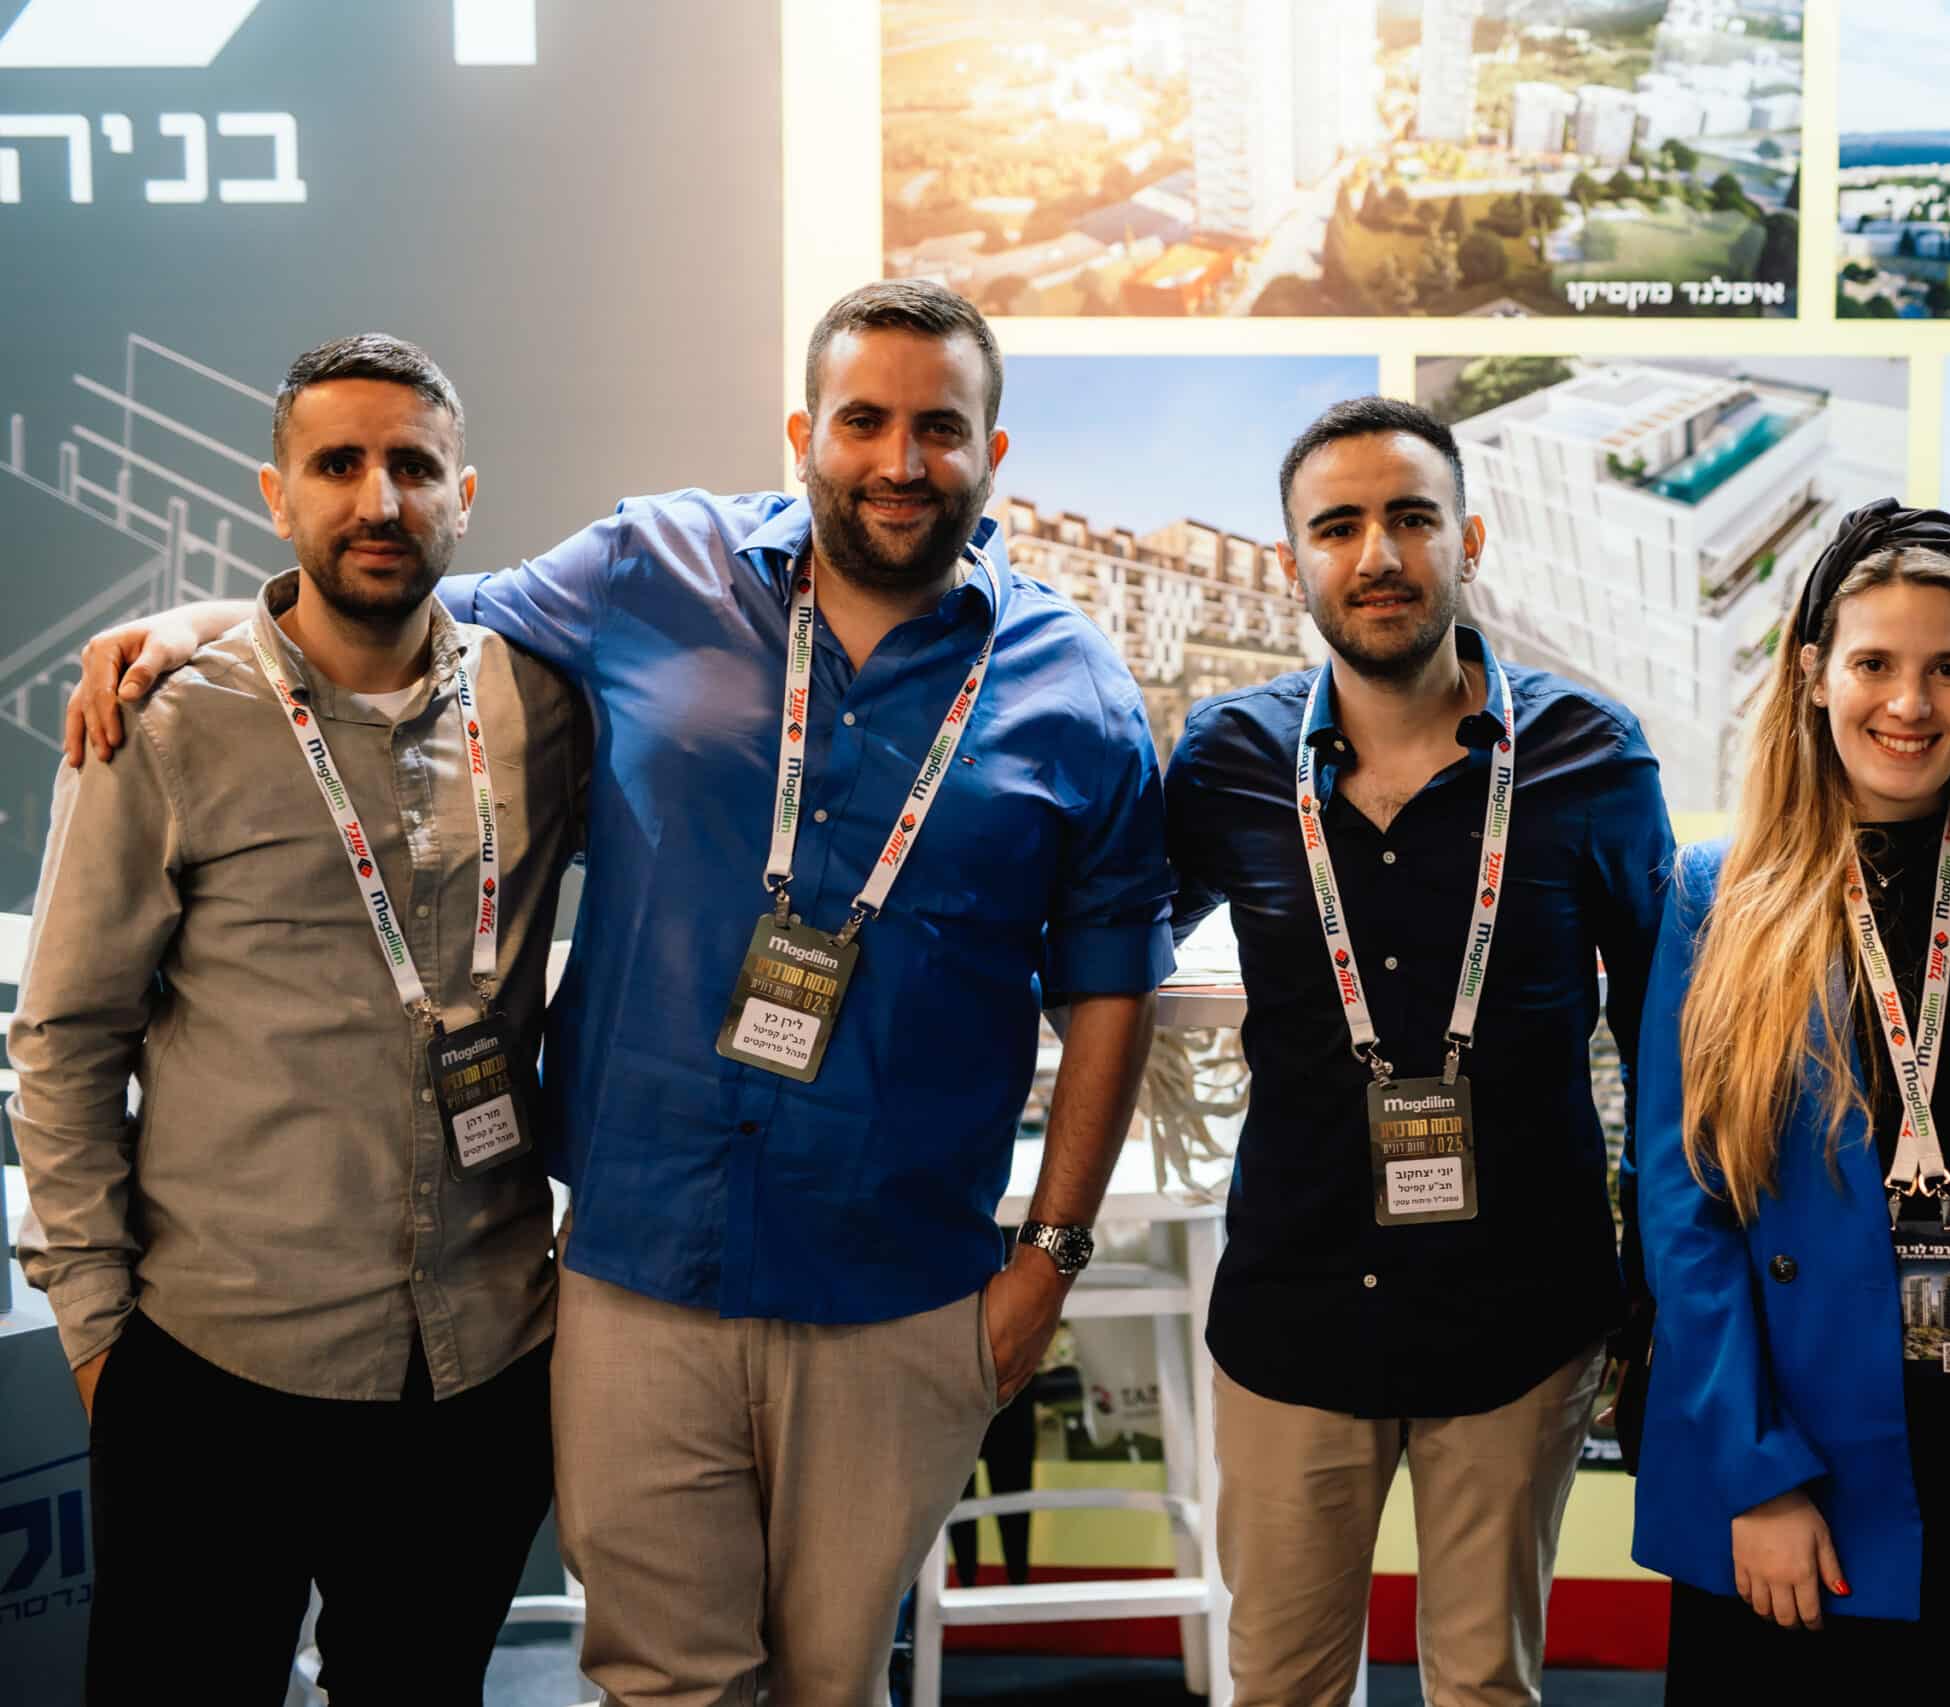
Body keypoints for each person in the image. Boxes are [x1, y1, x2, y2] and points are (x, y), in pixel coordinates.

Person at [56, 280, 1172, 1704]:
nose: (901, 461)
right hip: (643, 1269)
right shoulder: (650, 567)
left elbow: (1109, 983)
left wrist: (1049, 1260)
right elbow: (395, 609)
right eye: (863, 422)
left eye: (940, 429)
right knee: (660, 1679)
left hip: (896, 1287)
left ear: (992, 453)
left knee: (834, 1678)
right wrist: (205, 619)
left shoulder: (1075, 687)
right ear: (804, 435)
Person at [11, 335, 582, 1700]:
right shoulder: (166, 723)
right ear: (277, 496)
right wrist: (99, 1335)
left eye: (414, 467)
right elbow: (66, 1037)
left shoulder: (542, 708)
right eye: (338, 465)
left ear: (463, 496)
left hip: (477, 1366)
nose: (379, 500)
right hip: (218, 1366)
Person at [1164, 397, 1673, 1706]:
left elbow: (1659, 1032)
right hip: (1295, 1308)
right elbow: (1112, 944)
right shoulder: (1226, 761)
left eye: (1410, 518)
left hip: (1522, 1313)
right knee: (1278, 1686)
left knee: (1485, 1686)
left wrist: (1658, 1274)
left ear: (1469, 539)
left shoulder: (1589, 755)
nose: (1377, 554)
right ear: (1294, 560)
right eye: (1338, 526)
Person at [1629, 500, 1950, 1703]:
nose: (1909, 702)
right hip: (1790, 1458)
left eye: (1947, 667)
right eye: (1873, 664)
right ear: (1811, 674)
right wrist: (1757, 1476)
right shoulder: (1718, 895)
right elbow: (1684, 1210)